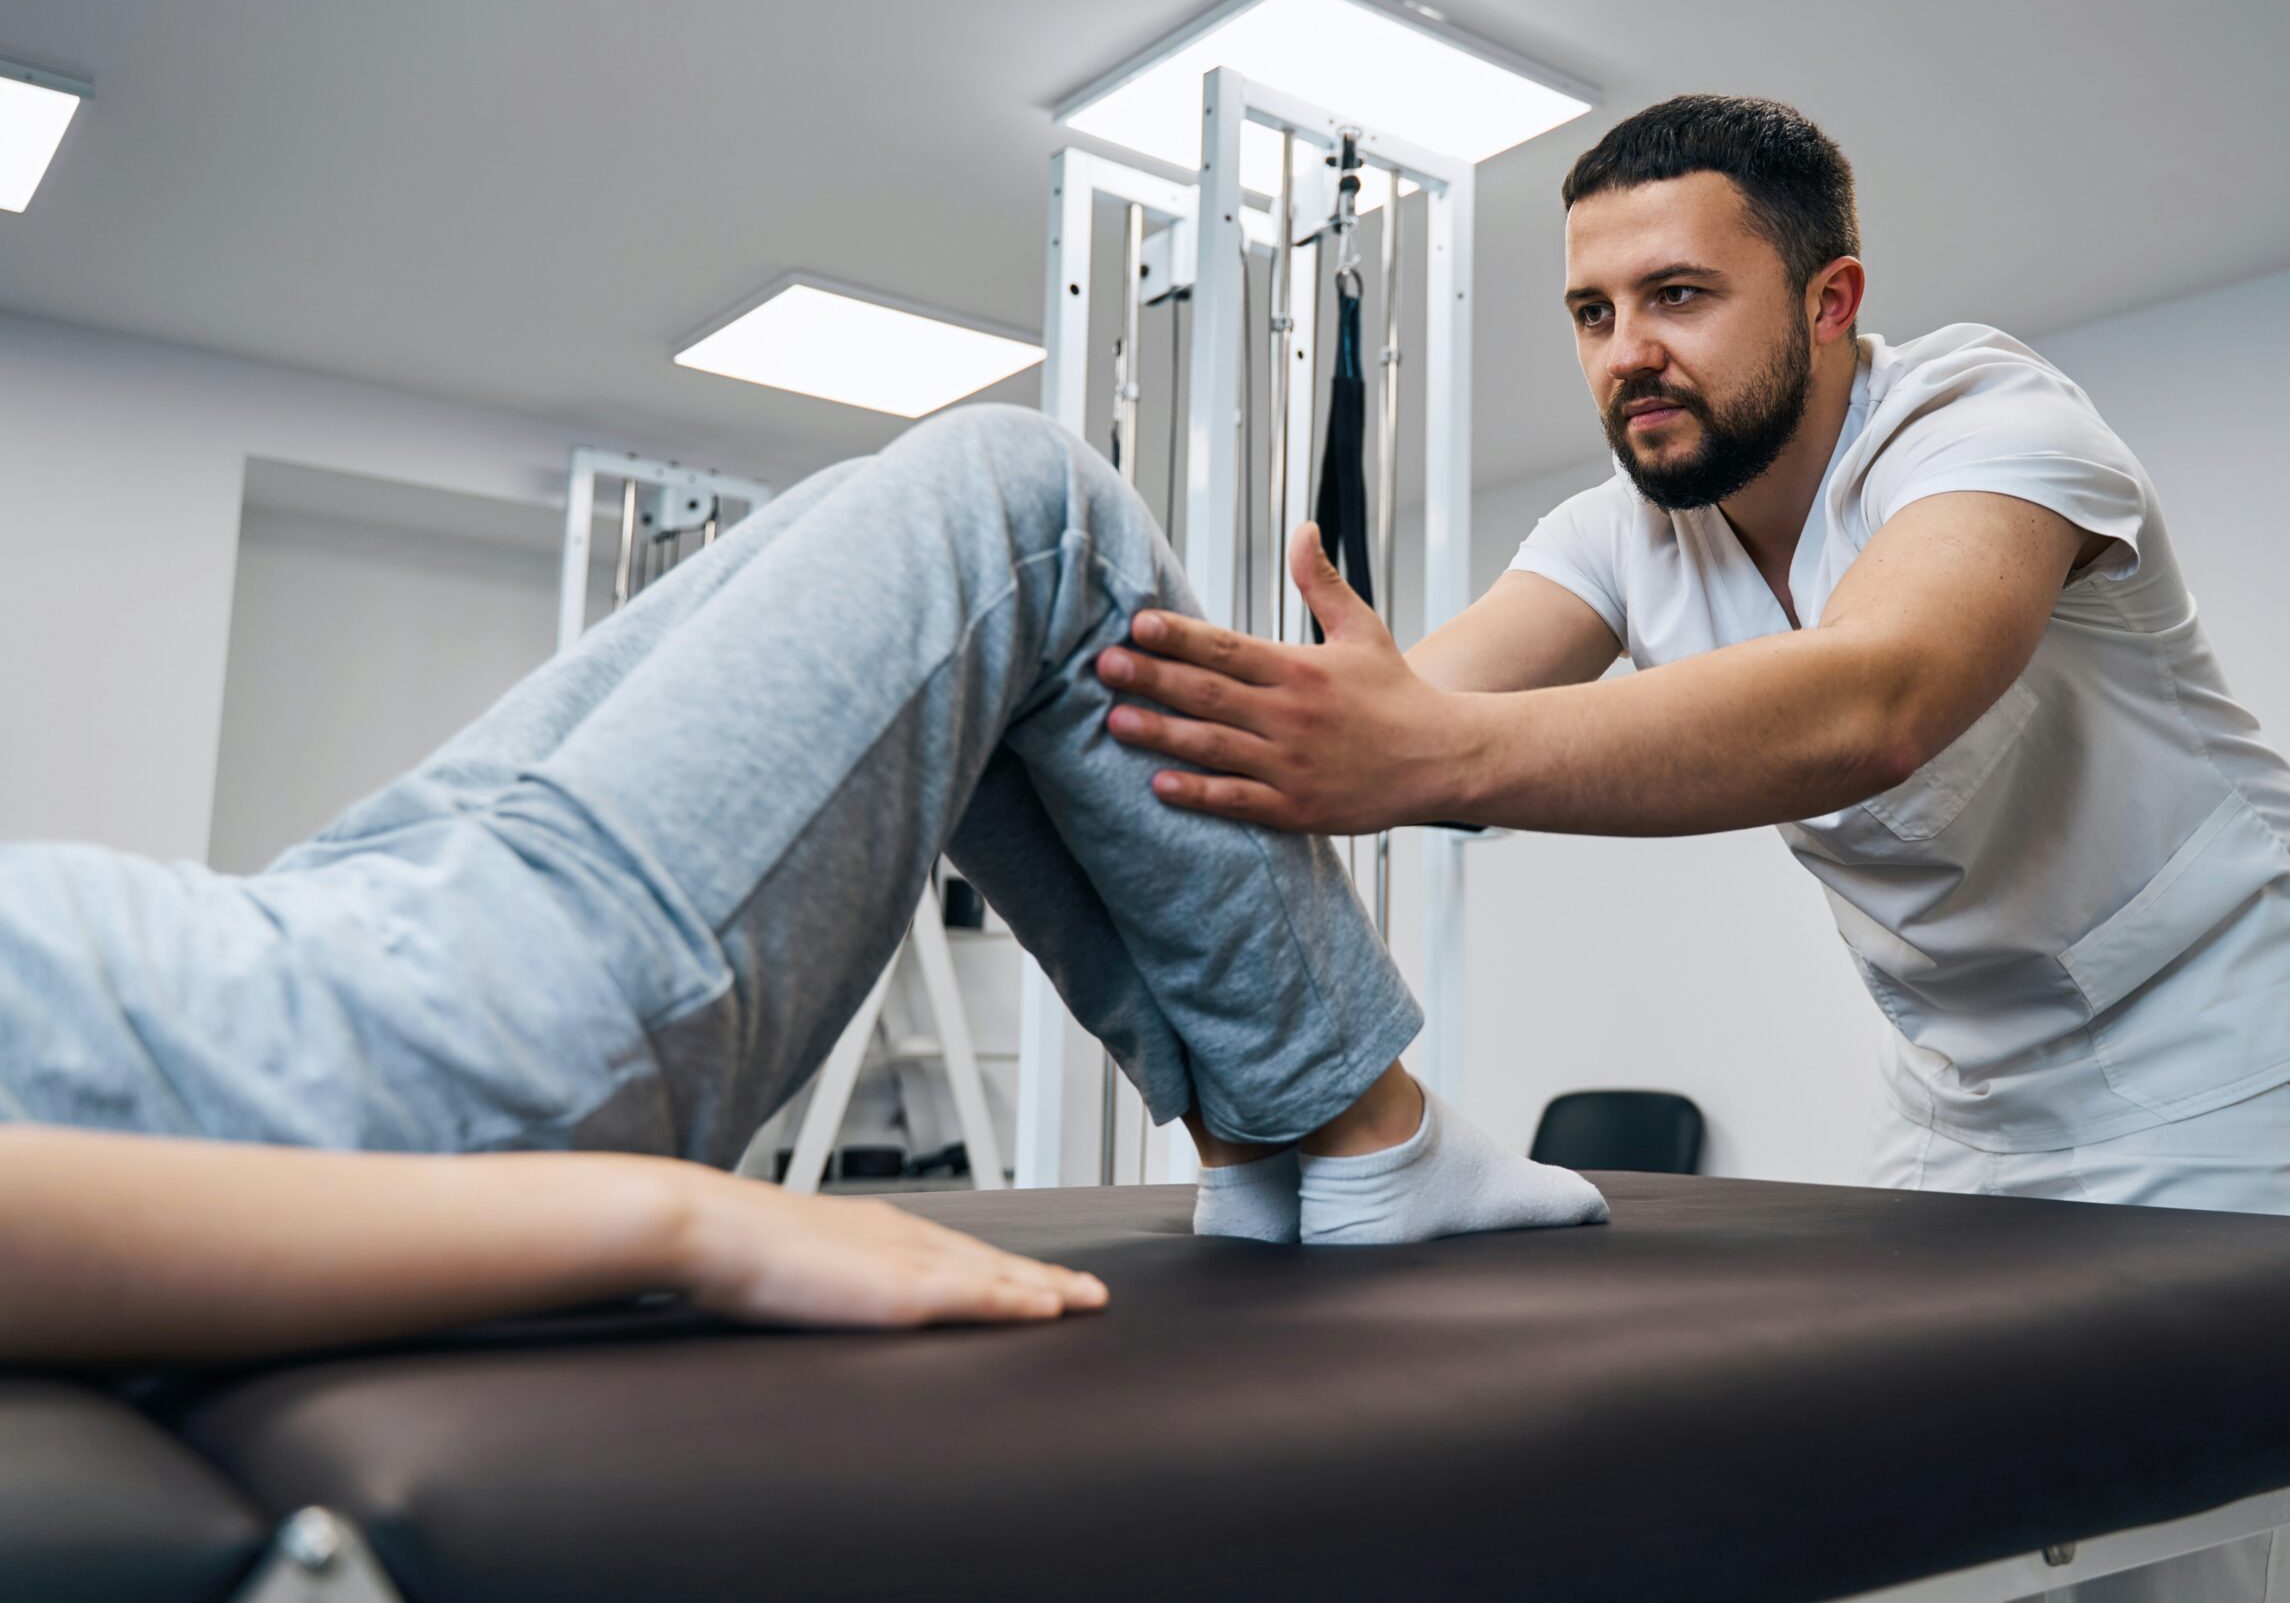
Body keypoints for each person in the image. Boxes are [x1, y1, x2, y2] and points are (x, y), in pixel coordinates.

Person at [1097, 94, 2290, 1603]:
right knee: (1936, 1519)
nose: (1626, 349)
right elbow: (1406, 716)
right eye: (1592, 310)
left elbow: (1874, 699)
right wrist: (1186, 753)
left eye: (1678, 296)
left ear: (1830, 305)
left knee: (2168, 1555)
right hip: (1960, 1084)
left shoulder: (1996, 430)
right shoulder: (1618, 532)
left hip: (2210, 1049)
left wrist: (1413, 752)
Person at [0, 404, 1606, 1365]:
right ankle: (1360, 1127)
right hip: (365, 1045)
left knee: (876, 521)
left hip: (294, 930)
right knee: (1023, 502)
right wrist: (684, 1219)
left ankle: (1266, 1141)